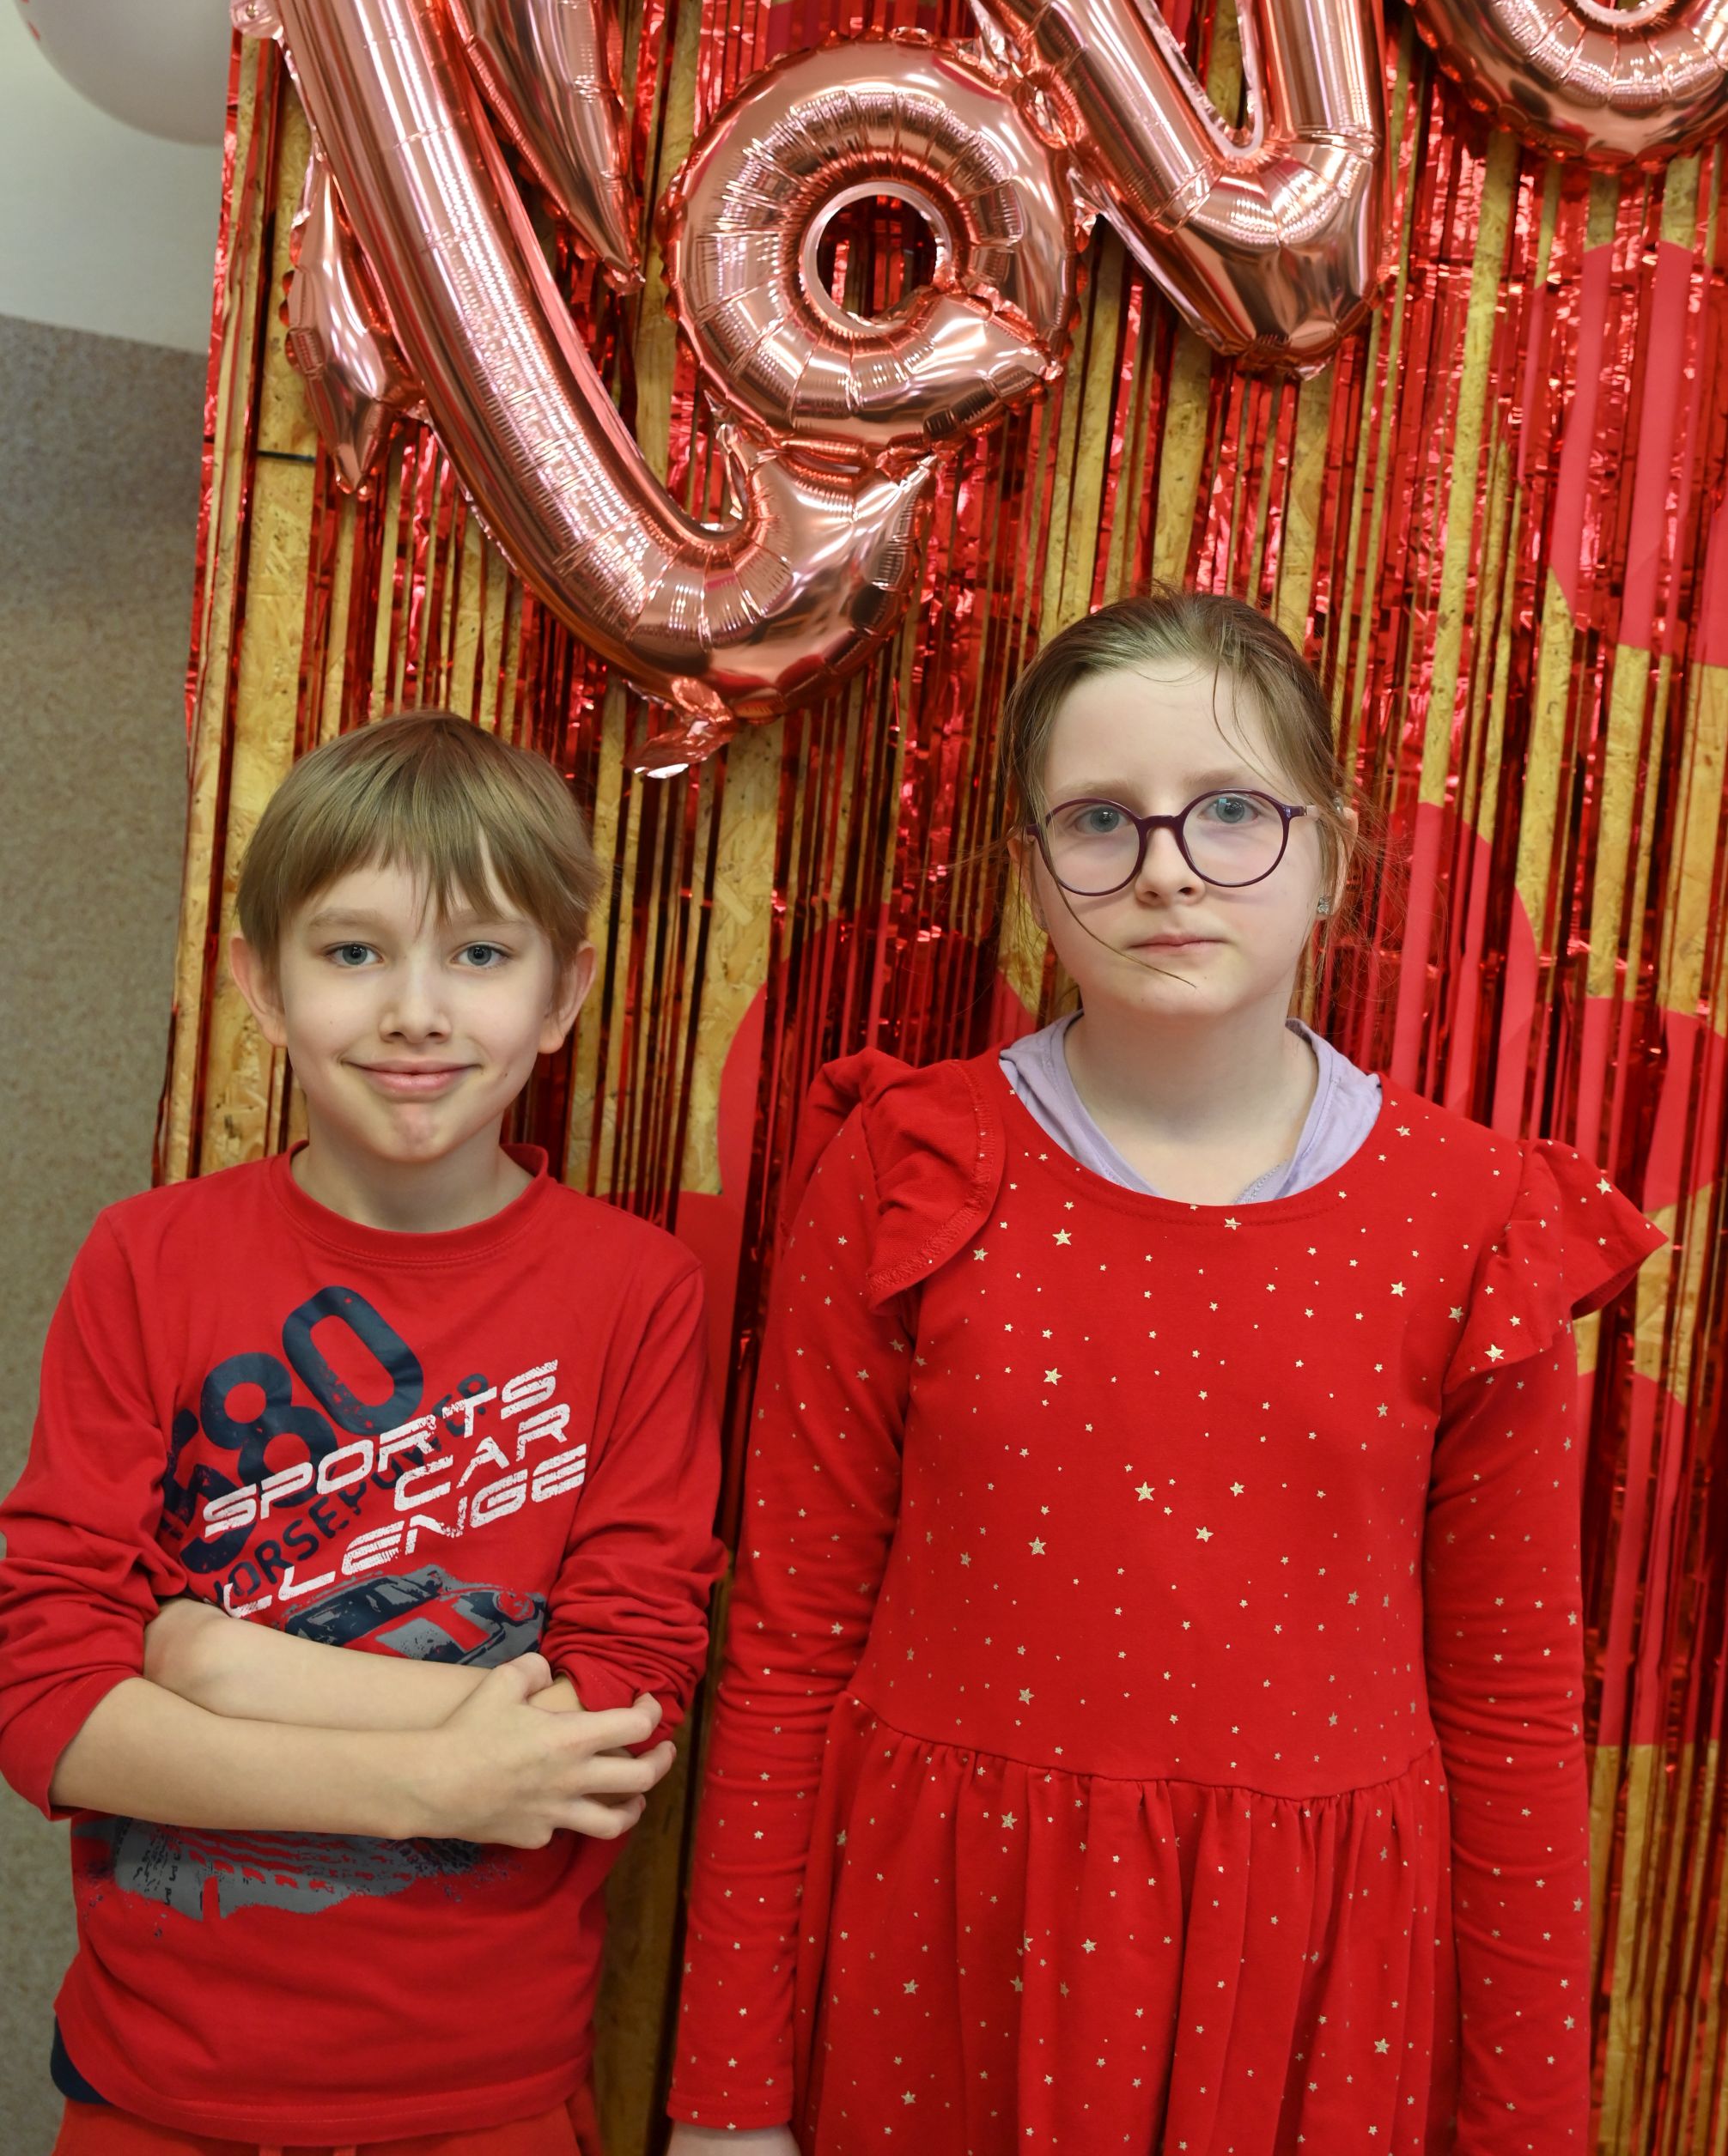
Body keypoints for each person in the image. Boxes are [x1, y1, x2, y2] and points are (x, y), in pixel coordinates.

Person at [665, 586, 1663, 2156]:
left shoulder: (1476, 1219)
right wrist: (729, 2102)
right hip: (947, 1955)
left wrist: (1527, 2127)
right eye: (1099, 820)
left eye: (1232, 811)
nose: (1166, 867)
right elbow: (786, 1649)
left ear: (1332, 855)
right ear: (1030, 874)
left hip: (1318, 1984)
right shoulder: (909, 1172)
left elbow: (1515, 1713)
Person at [0, 708, 723, 2156]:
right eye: (352, 953)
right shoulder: (147, 1259)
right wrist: (437, 1778)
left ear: (566, 993)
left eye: (482, 954)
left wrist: (220, 1664)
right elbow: (44, 1698)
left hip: (485, 2095)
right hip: (160, 2085)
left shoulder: (639, 1290)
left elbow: (622, 1710)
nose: (417, 1012)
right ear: (259, 987)